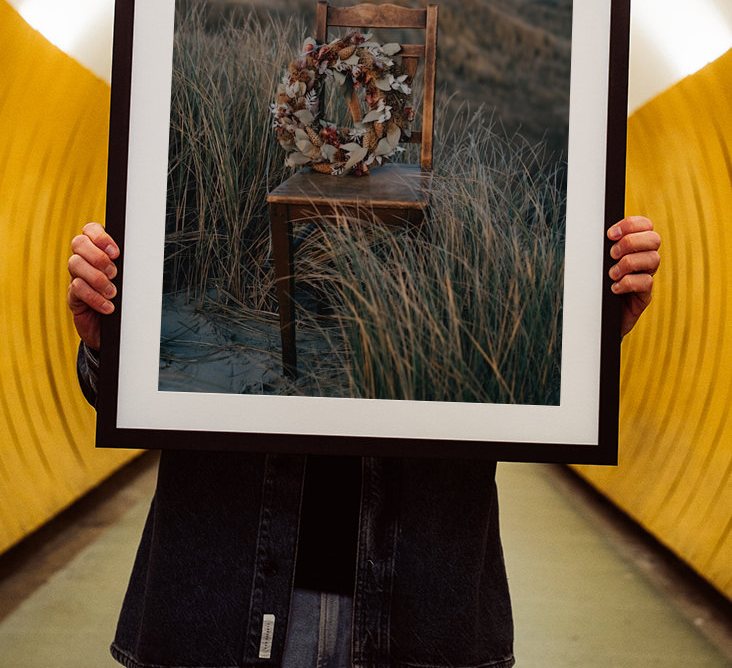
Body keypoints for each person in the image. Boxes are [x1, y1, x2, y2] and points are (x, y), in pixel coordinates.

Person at [68, 216, 661, 668]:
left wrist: (585, 337)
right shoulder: (237, 287)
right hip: (220, 600)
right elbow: (127, 394)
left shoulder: (452, 267)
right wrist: (110, 345)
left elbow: (524, 388)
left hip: (422, 609)